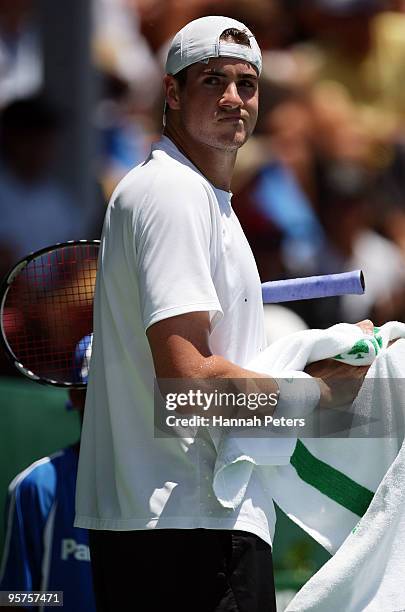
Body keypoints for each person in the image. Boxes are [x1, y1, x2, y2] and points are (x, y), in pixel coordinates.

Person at [75, 15, 373, 612]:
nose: (234, 98)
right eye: (213, 81)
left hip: (184, 528)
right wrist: (319, 394)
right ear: (172, 93)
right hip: (188, 533)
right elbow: (186, 389)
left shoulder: (199, 200)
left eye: (247, 84)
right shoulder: (174, 194)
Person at [0, 337, 96, 612]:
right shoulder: (35, 486)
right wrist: (62, 599)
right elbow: (15, 596)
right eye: (98, 392)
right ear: (75, 396)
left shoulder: (169, 489)